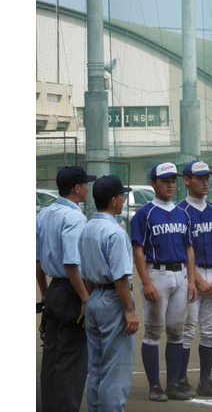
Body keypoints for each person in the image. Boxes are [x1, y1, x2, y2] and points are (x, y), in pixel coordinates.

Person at [130, 162, 198, 402]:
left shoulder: (182, 213)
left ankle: (173, 384)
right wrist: (146, 282)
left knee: (176, 332)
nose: (170, 184)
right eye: (165, 180)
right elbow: (138, 250)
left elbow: (189, 248)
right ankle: (155, 386)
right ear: (153, 183)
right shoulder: (144, 213)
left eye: (173, 180)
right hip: (156, 274)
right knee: (153, 332)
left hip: (180, 275)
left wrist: (191, 280)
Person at [36, 165, 96, 412]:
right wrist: (84, 298)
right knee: (72, 360)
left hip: (54, 290)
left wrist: (44, 291)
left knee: (52, 356)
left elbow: (38, 260)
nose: (88, 188)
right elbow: (72, 263)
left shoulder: (45, 213)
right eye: (85, 184)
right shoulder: (74, 217)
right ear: (77, 188)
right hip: (72, 290)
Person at [79, 175, 138, 411]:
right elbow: (120, 277)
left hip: (94, 299)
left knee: (96, 368)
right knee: (115, 369)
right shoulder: (115, 232)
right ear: (113, 201)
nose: (124, 200)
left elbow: (86, 273)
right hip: (114, 300)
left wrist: (87, 302)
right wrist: (130, 310)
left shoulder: (87, 227)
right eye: (122, 196)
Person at [176, 161, 212, 397]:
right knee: (188, 329)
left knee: (210, 330)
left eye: (208, 177)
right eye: (200, 177)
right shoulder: (179, 212)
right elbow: (182, 250)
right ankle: (181, 378)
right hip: (190, 277)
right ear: (186, 180)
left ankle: (205, 379)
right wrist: (197, 280)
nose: (206, 181)